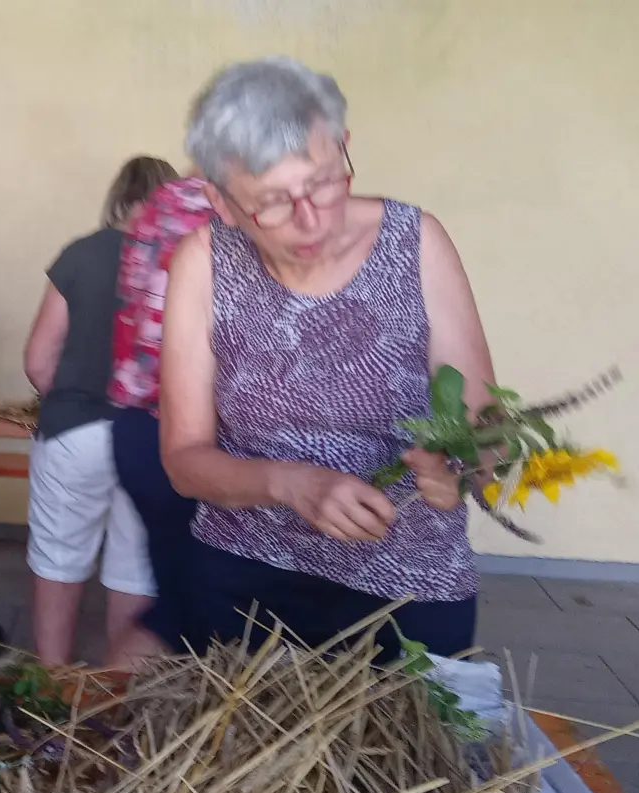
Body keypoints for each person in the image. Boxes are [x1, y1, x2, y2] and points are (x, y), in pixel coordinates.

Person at [158, 57, 496, 661]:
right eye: (273, 202)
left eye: (322, 182)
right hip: (246, 579)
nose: (311, 220)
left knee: (407, 756)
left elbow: (485, 423)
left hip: (410, 589)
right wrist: (292, 484)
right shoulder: (203, 263)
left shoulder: (416, 242)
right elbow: (185, 461)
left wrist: (462, 470)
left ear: (343, 146)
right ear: (222, 201)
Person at [21, 156, 175, 669]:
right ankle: (119, 704)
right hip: (151, 439)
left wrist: (69, 393)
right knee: (134, 570)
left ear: (120, 199)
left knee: (60, 560)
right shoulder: (183, 263)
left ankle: (51, 689)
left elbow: (38, 362)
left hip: (74, 432)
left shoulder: (82, 255)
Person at [108, 172, 215, 652]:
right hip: (190, 437)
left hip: (135, 431)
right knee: (199, 618)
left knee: (179, 609)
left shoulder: (163, 203)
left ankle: (99, 718)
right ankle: (99, 718)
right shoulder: (227, 215)